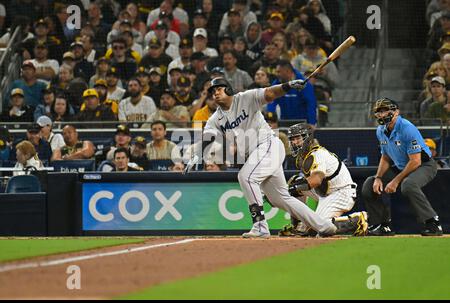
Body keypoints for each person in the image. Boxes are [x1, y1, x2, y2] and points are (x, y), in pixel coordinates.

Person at [185, 77, 362, 238]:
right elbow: (207, 137)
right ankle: (323, 225)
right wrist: (197, 154)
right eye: (212, 91)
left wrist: (287, 86)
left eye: (219, 89)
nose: (215, 93)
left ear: (229, 89)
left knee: (245, 177)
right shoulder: (216, 118)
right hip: (257, 155)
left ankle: (260, 225)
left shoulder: (245, 98)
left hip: (268, 146)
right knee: (280, 198)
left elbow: (270, 93)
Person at [361, 98, 443, 236]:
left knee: (408, 184)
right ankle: (382, 225)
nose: (381, 114)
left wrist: (395, 181)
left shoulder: (407, 128)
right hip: (401, 166)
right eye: (379, 111)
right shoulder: (380, 131)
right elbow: (385, 156)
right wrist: (379, 177)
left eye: (385, 110)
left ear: (396, 112)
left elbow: (415, 161)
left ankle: (433, 223)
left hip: (424, 165)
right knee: (370, 185)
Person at [278, 123, 366, 237]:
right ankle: (300, 226)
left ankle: (356, 221)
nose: (295, 142)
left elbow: (316, 180)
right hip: (325, 192)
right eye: (292, 139)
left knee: (322, 229)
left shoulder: (317, 154)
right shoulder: (302, 156)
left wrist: (291, 189)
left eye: (298, 138)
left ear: (307, 138)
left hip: (341, 192)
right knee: (295, 182)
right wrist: (287, 190)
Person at [267, 60, 317, 124]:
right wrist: (271, 119)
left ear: (288, 71)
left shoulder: (304, 84)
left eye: (279, 72)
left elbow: (311, 104)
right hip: (284, 123)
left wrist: (312, 123)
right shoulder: (276, 83)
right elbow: (271, 101)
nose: (277, 74)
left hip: (302, 123)